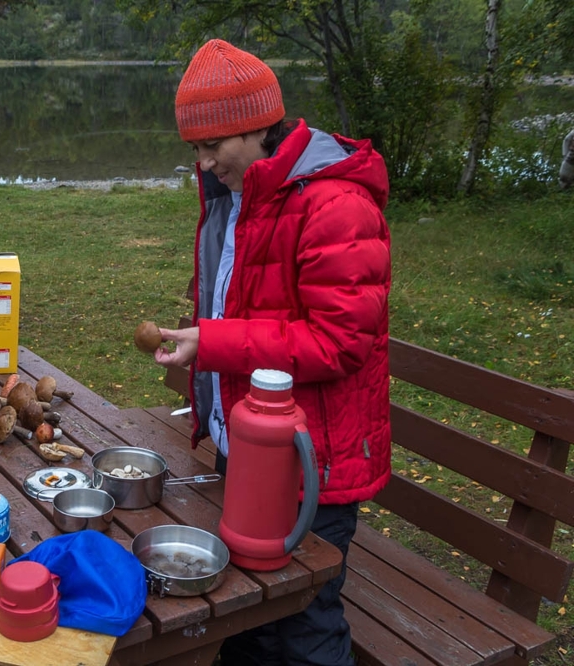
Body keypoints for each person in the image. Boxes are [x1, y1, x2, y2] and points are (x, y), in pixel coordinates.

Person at [153, 39, 392, 665]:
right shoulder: (241, 197)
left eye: (213, 146)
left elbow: (339, 342)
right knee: (250, 619)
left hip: (316, 461)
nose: (203, 165)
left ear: (260, 124)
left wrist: (214, 344)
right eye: (194, 149)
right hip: (254, 445)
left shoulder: (335, 204)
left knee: (305, 624)